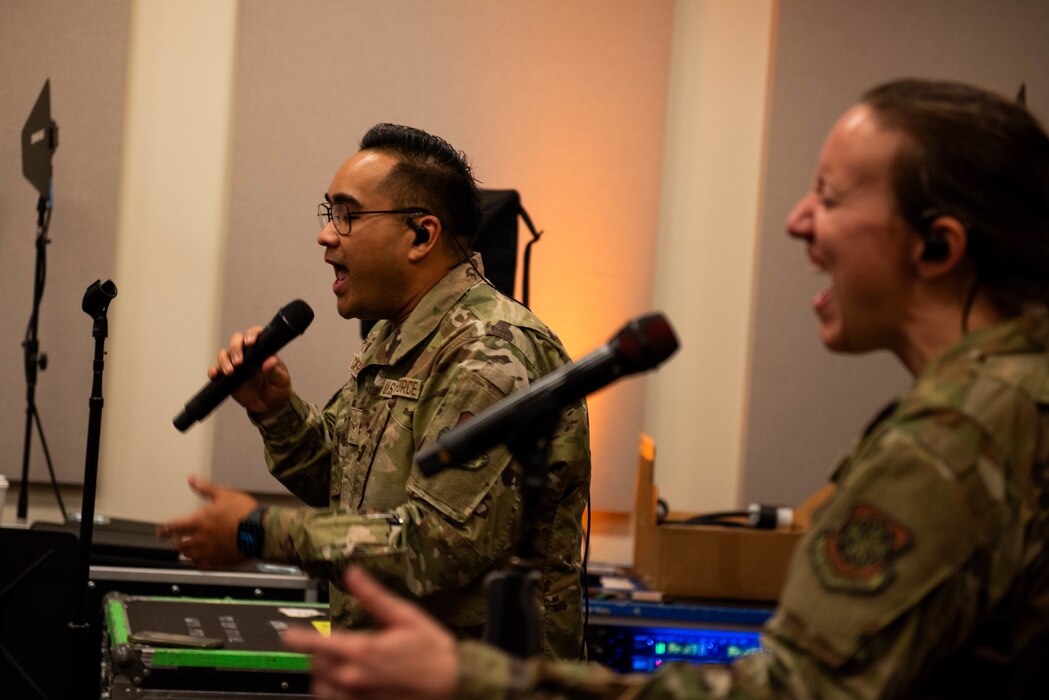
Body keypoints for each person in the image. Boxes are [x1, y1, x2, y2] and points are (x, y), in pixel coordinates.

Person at [280, 79, 1049, 698]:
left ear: (938, 244)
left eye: (832, 196)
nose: (795, 220)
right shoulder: (1011, 399)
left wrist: (477, 678)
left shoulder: (955, 437)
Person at [157, 123, 591, 660]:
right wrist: (275, 411)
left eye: (348, 214)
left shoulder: (489, 353)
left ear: (421, 235)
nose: (326, 235)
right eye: (328, 213)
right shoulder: (396, 335)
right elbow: (341, 486)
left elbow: (438, 546)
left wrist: (258, 531)